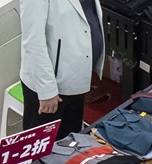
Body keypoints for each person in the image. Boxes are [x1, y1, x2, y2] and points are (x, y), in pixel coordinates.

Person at [18, 0, 104, 139]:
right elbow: (33, 43)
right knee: (42, 150)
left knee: (72, 142)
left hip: (76, 79)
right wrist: (47, 91)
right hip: (51, 90)